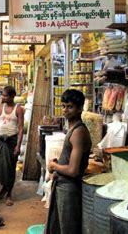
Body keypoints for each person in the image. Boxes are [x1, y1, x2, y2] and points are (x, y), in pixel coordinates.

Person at [45, 89, 92, 234]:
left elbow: (73, 170)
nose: (65, 110)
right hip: (62, 186)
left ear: (79, 109)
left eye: (70, 106)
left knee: (69, 228)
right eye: (64, 106)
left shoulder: (78, 132)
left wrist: (54, 165)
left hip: (69, 190)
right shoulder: (72, 128)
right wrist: (58, 163)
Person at [0, 86, 24, 206]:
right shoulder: (0, 108)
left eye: (5, 95)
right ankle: (4, 187)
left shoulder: (18, 109)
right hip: (0, 140)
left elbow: (20, 129)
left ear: (12, 96)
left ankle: (8, 193)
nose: (3, 97)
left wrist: (18, 145)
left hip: (11, 141)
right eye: (2, 95)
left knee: (10, 168)